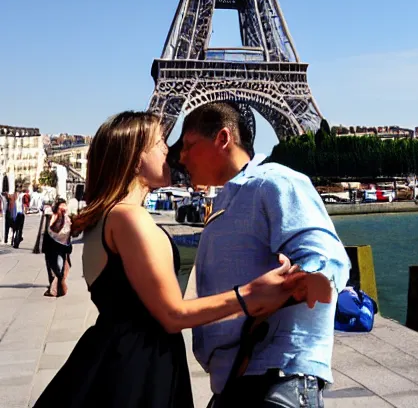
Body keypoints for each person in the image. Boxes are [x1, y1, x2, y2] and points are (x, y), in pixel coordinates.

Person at [34, 111, 309, 408]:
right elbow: (172, 315)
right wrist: (251, 295)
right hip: (141, 367)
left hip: (112, 355)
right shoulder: (129, 218)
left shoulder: (105, 218)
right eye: (160, 143)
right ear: (136, 158)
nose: (171, 151)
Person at [175, 102, 351, 407]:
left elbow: (327, 259)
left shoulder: (275, 181)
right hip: (241, 378)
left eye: (190, 145)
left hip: (274, 376)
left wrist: (294, 287)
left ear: (222, 139)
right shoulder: (231, 196)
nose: (181, 156)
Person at [42, 198, 72, 297]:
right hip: (62, 245)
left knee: (54, 267)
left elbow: (52, 229)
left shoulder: (55, 215)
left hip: (53, 245)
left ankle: (54, 288)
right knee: (59, 266)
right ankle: (56, 286)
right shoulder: (65, 216)